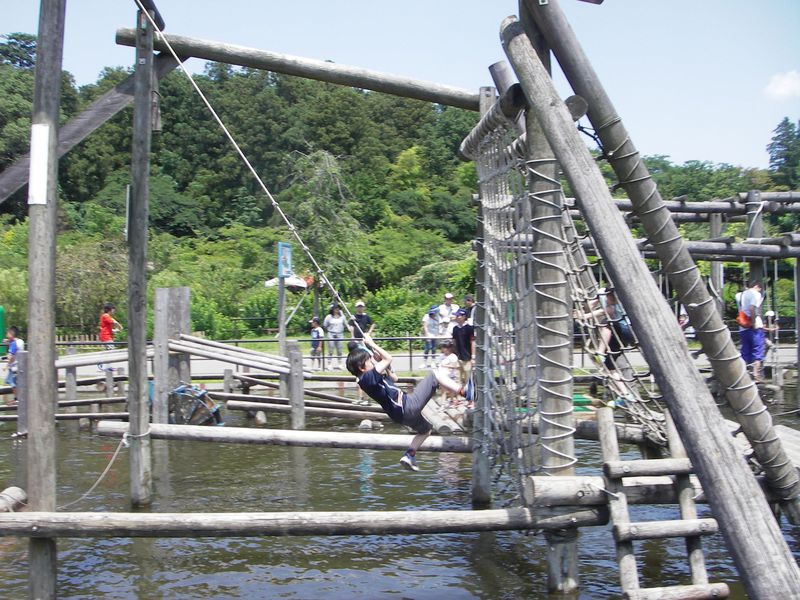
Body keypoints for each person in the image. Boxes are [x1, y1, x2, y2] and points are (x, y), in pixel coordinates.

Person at [346, 333, 473, 472]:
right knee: (435, 374)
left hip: (400, 415)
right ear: (361, 367)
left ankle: (410, 455)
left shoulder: (369, 378)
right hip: (407, 406)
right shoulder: (367, 378)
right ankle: (465, 392)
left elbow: (394, 378)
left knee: (426, 430)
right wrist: (372, 345)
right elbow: (389, 357)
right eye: (369, 360)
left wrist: (383, 362)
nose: (372, 361)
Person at [738, 279, 765, 382]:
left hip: (743, 326)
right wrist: (753, 322)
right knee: (757, 350)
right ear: (757, 286)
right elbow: (752, 309)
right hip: (754, 326)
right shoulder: (755, 294)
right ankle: (755, 373)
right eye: (760, 289)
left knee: (745, 350)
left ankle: (744, 373)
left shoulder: (741, 294)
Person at [451, 308, 475, 407]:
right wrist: (454, 354)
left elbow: (472, 342)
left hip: (468, 357)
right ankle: (457, 399)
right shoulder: (455, 329)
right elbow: (454, 342)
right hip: (458, 357)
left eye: (458, 316)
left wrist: (473, 356)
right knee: (457, 380)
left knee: (469, 380)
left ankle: (471, 400)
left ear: (464, 317)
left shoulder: (469, 328)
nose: (456, 317)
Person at [98, 303, 123, 372]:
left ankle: (106, 365)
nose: (114, 311)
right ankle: (103, 363)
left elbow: (106, 328)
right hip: (106, 337)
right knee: (111, 351)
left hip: (107, 335)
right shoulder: (106, 316)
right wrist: (120, 326)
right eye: (113, 309)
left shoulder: (105, 316)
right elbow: (114, 322)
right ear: (110, 309)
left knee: (109, 351)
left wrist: (115, 330)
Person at [3, 326, 24, 405]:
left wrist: (6, 365)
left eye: (7, 333)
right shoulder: (20, 341)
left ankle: (17, 399)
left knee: (13, 383)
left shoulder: (13, 344)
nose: (6, 335)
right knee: (17, 382)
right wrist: (8, 341)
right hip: (20, 365)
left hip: (14, 367)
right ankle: (19, 398)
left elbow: (11, 356)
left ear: (11, 334)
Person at [437, 339, 460, 408]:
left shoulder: (453, 356)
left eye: (444, 347)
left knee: (451, 391)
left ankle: (452, 401)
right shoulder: (441, 356)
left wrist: (445, 366)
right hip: (442, 376)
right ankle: (443, 404)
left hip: (450, 376)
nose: (442, 349)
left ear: (449, 348)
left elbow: (455, 366)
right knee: (443, 391)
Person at [323, 304, 346, 370]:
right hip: (331, 334)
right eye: (335, 308)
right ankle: (329, 363)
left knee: (339, 349)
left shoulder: (342, 317)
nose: (336, 310)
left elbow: (345, 324)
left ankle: (340, 363)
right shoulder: (329, 317)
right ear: (332, 309)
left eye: (338, 308)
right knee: (330, 349)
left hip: (340, 334)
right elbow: (325, 325)